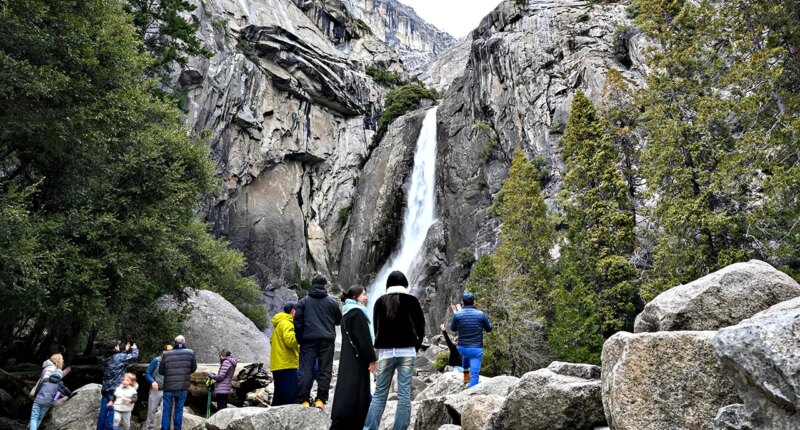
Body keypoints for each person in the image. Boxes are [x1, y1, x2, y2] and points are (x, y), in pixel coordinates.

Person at [363, 271, 425, 430]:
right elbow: (420, 327)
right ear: (405, 283)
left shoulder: (379, 302)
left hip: (385, 353)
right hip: (407, 352)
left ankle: (370, 428)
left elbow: (376, 329)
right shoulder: (412, 300)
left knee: (379, 394)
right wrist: (415, 346)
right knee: (404, 395)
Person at [331, 286, 377, 429]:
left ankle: (341, 418)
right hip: (357, 359)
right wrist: (372, 358)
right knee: (358, 389)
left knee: (347, 387)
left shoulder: (346, 313)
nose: (366, 297)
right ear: (356, 296)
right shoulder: (358, 313)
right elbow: (363, 339)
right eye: (363, 294)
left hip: (347, 357)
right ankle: (355, 422)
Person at [295, 275, 341, 409]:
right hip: (327, 340)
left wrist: (300, 339)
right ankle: (320, 400)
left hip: (308, 340)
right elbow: (338, 320)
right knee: (325, 370)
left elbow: (297, 322)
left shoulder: (303, 302)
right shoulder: (332, 302)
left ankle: (304, 400)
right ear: (325, 285)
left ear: (312, 284)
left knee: (306, 369)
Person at [450, 292, 492, 387]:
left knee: (466, 357)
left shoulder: (458, 315)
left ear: (462, 302)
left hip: (462, 348)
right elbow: (488, 329)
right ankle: (471, 394)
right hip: (476, 348)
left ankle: (465, 380)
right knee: (475, 375)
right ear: (474, 302)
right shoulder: (481, 314)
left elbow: (453, 329)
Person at [98, 341, 139, 430]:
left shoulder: (104, 358)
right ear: (116, 347)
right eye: (118, 346)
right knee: (113, 417)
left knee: (103, 414)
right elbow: (134, 356)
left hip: (105, 389)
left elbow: (116, 359)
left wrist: (125, 351)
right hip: (115, 392)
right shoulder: (119, 357)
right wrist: (134, 348)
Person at [159, 335, 197, 430]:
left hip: (168, 387)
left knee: (166, 410)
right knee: (179, 410)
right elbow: (193, 368)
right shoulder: (191, 353)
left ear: (174, 343)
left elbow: (161, 371)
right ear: (184, 342)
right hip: (182, 387)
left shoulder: (166, 354)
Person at [270, 301, 299, 406]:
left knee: (279, 398)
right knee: (292, 398)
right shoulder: (287, 323)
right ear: (293, 311)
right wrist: (301, 335)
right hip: (287, 364)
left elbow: (271, 342)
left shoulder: (278, 325)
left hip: (277, 365)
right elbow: (291, 341)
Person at [143, 344, 172, 430]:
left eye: (171, 351)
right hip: (155, 390)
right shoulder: (156, 361)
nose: (169, 352)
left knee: (165, 412)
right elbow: (147, 373)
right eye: (167, 350)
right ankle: (149, 428)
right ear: (163, 351)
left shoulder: (173, 362)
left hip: (168, 390)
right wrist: (152, 382)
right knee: (151, 411)